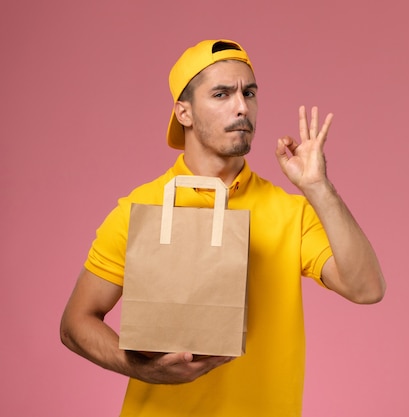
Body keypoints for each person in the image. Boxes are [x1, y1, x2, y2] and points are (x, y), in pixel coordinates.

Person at [60, 39, 385, 416]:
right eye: (221, 94)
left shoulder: (289, 211)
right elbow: (75, 323)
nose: (242, 107)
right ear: (184, 112)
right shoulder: (141, 209)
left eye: (249, 92)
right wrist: (145, 369)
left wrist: (318, 187)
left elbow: (367, 289)